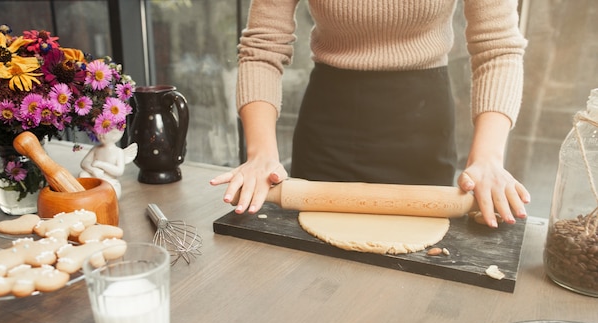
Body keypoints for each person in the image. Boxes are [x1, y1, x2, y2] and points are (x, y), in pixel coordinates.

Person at [210, 0, 531, 229]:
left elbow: (497, 47)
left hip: (423, 126)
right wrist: (261, 154)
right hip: (329, 127)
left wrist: (487, 158)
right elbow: (263, 46)